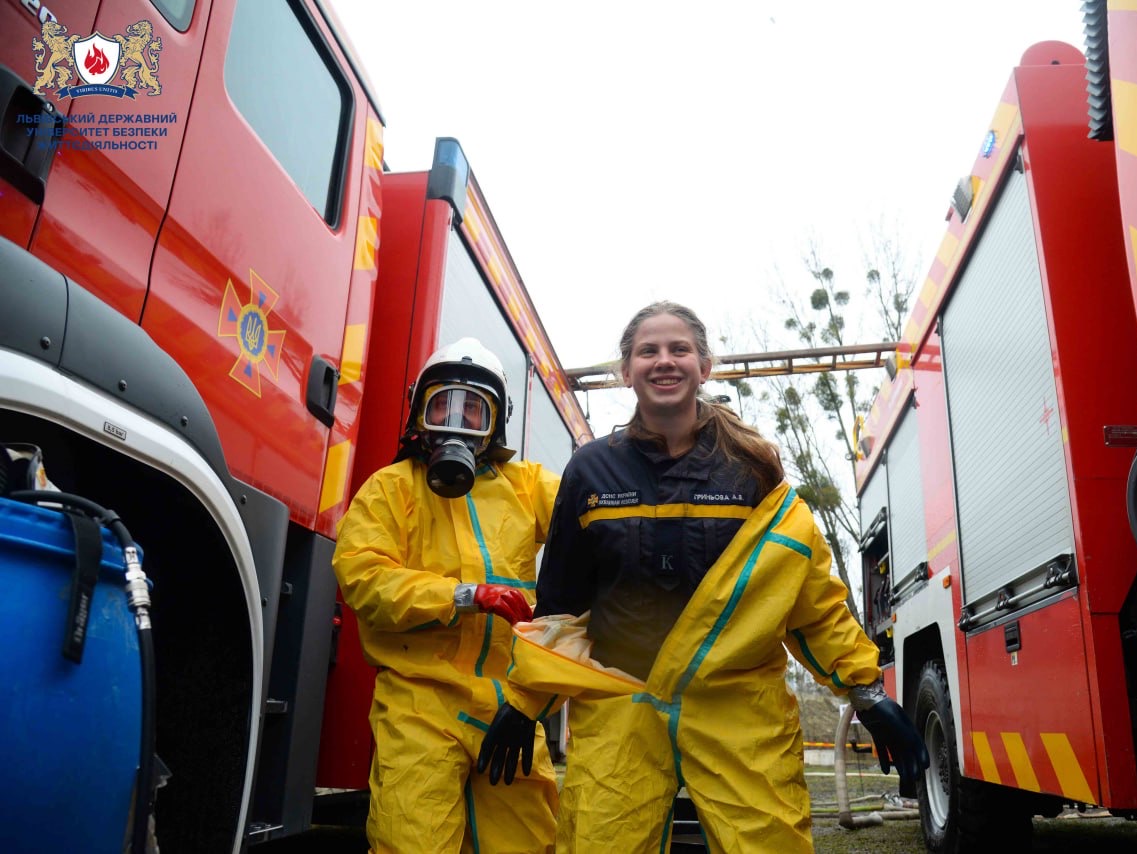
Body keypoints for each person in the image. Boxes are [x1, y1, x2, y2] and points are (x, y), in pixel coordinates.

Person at [477, 301, 928, 852]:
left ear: (704, 367)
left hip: (738, 708)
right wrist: (523, 701)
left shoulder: (751, 469)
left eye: (679, 349)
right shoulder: (590, 470)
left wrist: (866, 691)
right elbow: (560, 606)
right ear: (627, 371)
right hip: (620, 706)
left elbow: (806, 596)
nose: (664, 361)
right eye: (648, 351)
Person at [333, 337, 559, 853]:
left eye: (473, 410)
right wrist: (463, 596)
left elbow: (589, 517)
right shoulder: (391, 488)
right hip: (420, 705)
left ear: (495, 423)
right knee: (413, 840)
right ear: (420, 415)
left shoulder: (527, 487)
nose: (455, 421)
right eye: (442, 405)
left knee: (528, 843)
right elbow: (363, 578)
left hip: (510, 707)